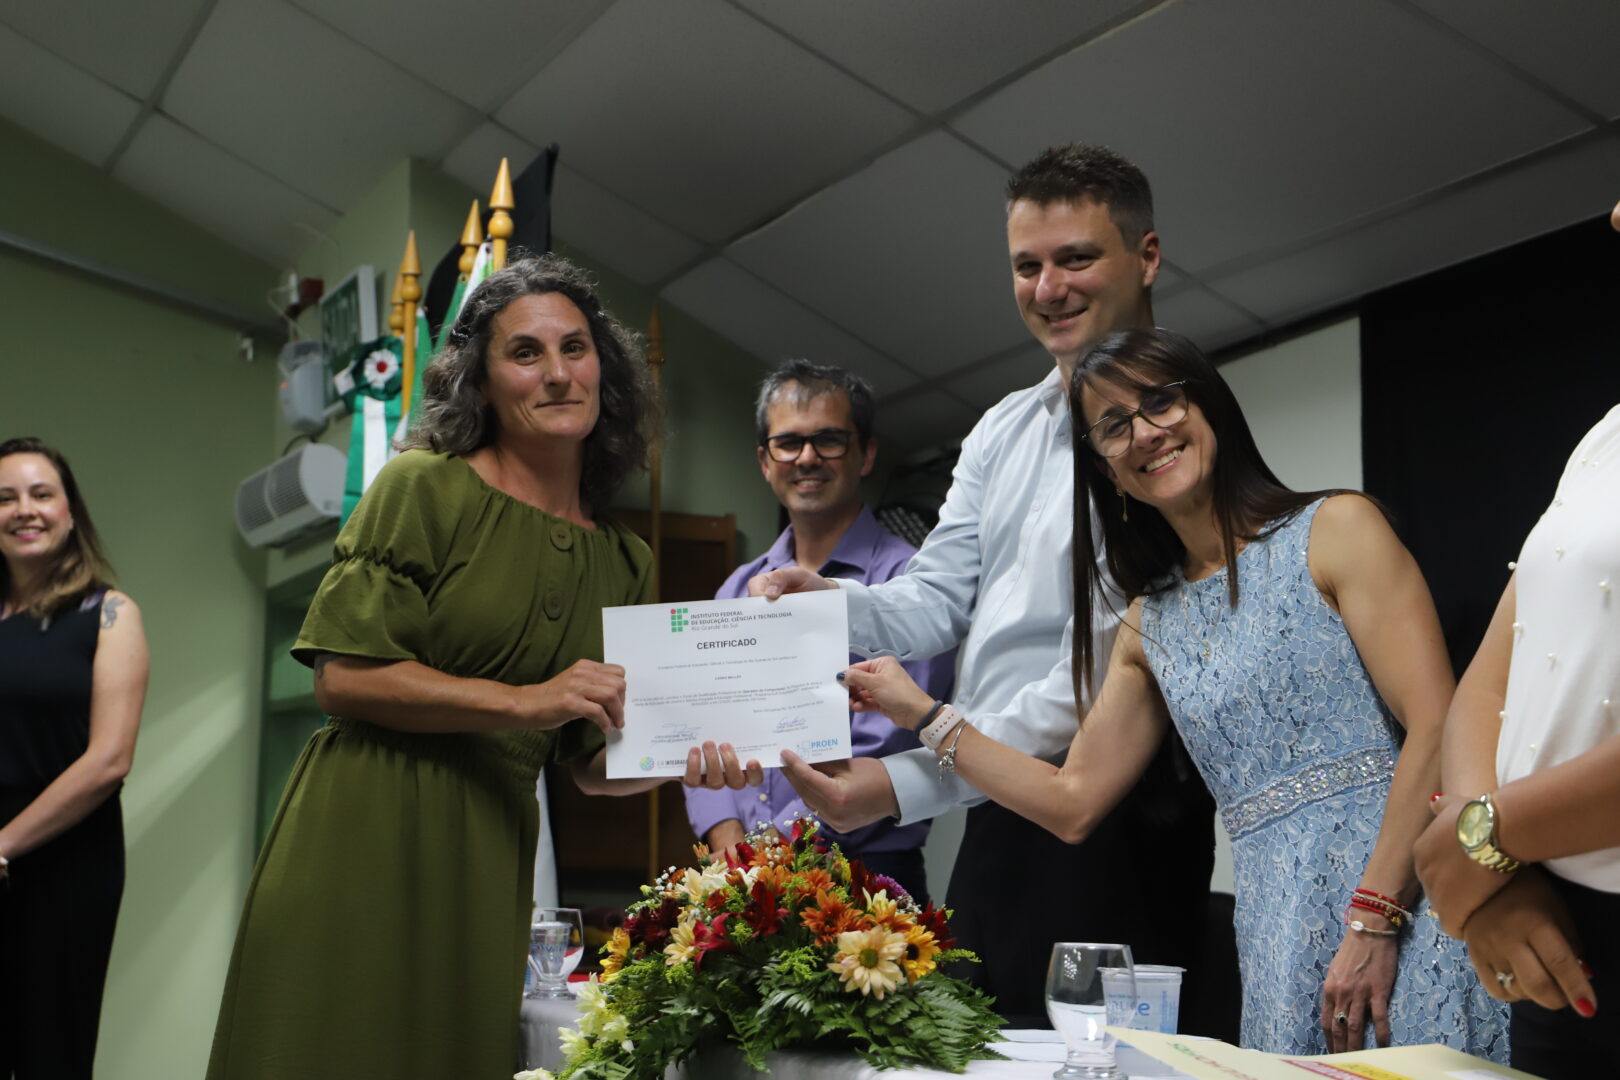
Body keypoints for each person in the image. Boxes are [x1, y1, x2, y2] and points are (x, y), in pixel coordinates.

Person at [836, 328, 1509, 1057]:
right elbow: (1071, 801)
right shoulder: (1146, 621)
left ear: (1208, 404)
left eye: (1160, 401)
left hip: (1406, 899)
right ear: (1107, 470)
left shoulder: (1338, 528)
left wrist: (1375, 916)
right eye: (1114, 426)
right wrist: (926, 716)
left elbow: (1436, 724)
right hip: (1277, 934)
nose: (1147, 433)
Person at [206, 256, 755, 1079]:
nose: (557, 373)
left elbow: (590, 764)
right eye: (525, 353)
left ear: (604, 369)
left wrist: (684, 753)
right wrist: (528, 701)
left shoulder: (624, 558)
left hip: (489, 851)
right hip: (363, 823)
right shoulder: (422, 486)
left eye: (575, 347)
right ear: (482, 382)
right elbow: (343, 678)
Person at [764, 145, 1217, 1028]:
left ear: (1147, 258)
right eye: (1026, 266)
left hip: (1118, 810)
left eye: (1075, 258)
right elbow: (936, 596)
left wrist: (904, 781)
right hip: (990, 799)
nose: (1049, 289)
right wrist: (828, 602)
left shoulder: (1173, 434)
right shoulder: (1003, 426)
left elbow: (1091, 683)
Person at [1412, 197, 1620, 1079]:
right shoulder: (1605, 436)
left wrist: (1481, 839)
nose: (1617, 214)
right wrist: (1492, 874)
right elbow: (1494, 674)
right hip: (1551, 928)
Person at [684, 360, 954, 904]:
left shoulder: (908, 583)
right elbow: (703, 727)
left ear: (866, 454)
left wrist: (762, 851)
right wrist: (730, 844)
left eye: (828, 440)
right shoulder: (735, 588)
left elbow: (886, 743)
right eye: (788, 443)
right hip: (741, 876)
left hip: (867, 876)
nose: (807, 458)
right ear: (765, 461)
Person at [0, 437, 149, 1079]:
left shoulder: (109, 613)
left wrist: (3, 845)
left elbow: (110, 759)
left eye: (41, 494)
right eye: (5, 498)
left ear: (69, 511)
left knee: (48, 1057)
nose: (23, 510)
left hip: (65, 862)